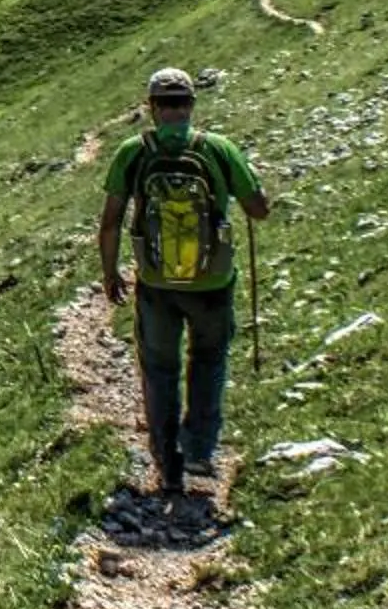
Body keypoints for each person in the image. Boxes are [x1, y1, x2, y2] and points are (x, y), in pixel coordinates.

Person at [97, 67, 269, 499]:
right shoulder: (219, 149)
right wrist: (252, 182)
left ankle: (167, 462)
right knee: (208, 360)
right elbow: (258, 209)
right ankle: (199, 450)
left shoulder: (133, 152)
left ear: (151, 107)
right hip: (212, 281)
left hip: (156, 282)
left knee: (159, 368)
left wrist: (110, 272)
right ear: (191, 104)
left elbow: (110, 221)